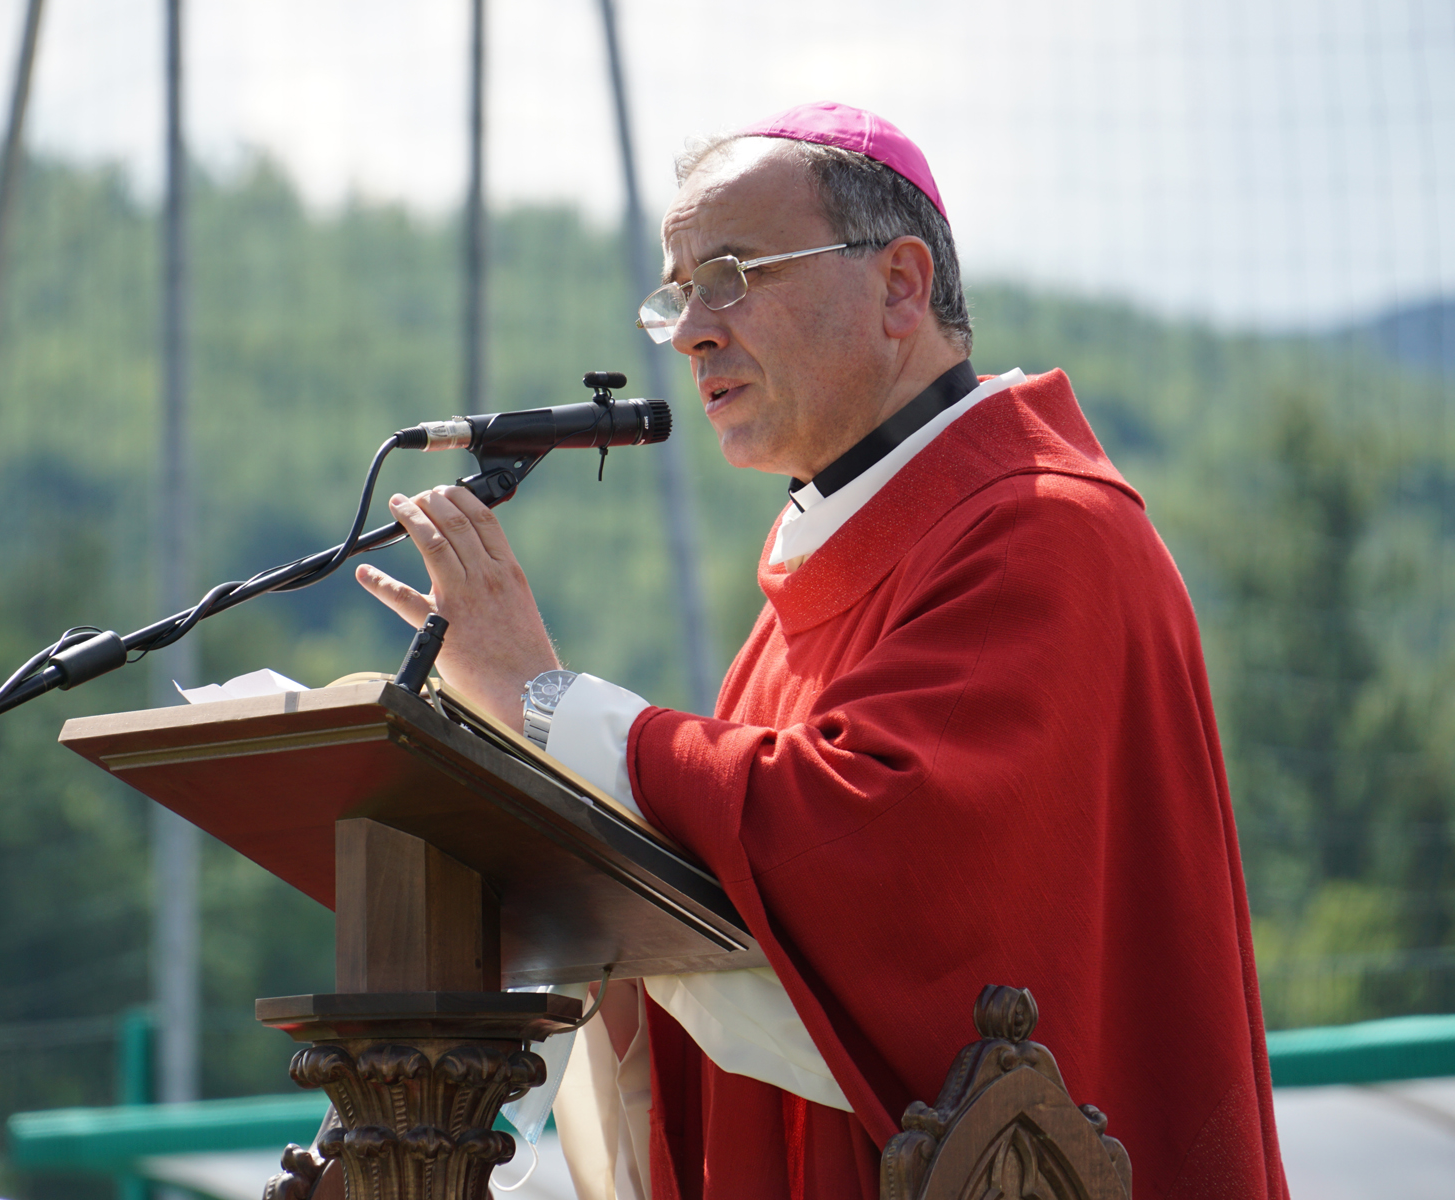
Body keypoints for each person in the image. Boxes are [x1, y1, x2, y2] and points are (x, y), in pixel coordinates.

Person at [357, 102, 1288, 1200]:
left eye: (735, 276)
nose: (694, 330)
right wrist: (535, 767)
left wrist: (543, 701)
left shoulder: (1044, 530)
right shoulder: (809, 588)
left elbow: (889, 867)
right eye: (678, 294)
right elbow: (734, 894)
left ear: (900, 284)